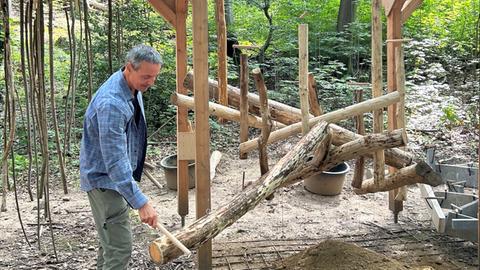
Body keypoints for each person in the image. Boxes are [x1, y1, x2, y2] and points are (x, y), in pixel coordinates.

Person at [80, 44, 162, 270]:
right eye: (146, 76)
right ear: (129, 68)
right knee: (120, 248)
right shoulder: (112, 103)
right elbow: (114, 164)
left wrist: (134, 159)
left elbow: (123, 138)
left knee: (110, 244)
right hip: (105, 182)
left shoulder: (132, 87)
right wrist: (141, 202)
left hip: (115, 179)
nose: (151, 82)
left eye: (154, 77)